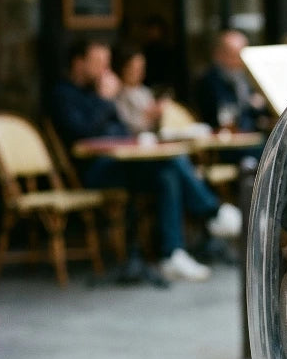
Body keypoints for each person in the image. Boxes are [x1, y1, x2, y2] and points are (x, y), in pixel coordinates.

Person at [49, 39, 242, 282]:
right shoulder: (63, 94)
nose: (105, 71)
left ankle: (173, 253)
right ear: (79, 63)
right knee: (169, 165)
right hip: (93, 170)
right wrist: (106, 100)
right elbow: (81, 133)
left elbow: (119, 129)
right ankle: (211, 214)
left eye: (106, 64)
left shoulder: (95, 92)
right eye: (98, 63)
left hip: (123, 162)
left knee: (168, 172)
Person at [194, 29, 270, 133]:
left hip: (253, 135)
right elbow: (221, 115)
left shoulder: (248, 77)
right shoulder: (209, 81)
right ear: (219, 54)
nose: (241, 61)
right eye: (235, 55)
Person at [114, 46, 165, 135]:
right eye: (135, 68)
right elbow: (125, 126)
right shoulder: (117, 93)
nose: (140, 72)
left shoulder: (145, 92)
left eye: (142, 68)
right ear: (124, 68)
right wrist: (148, 117)